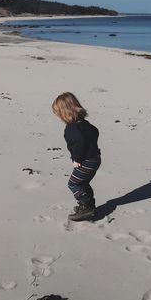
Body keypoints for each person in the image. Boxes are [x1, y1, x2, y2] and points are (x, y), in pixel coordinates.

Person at [51, 92, 101, 221]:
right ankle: (89, 205)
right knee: (83, 183)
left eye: (58, 114)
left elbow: (80, 141)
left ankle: (86, 207)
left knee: (73, 184)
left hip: (86, 161)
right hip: (95, 159)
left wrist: (77, 159)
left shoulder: (72, 128)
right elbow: (95, 131)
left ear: (65, 113)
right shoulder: (84, 124)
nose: (57, 117)